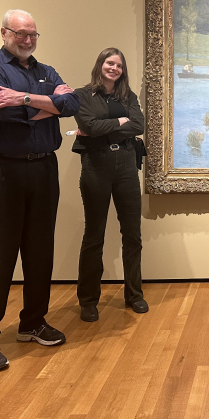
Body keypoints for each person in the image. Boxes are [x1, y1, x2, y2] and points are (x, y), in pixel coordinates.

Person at [0, 9, 79, 371]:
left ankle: (32, 323)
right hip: (6, 170)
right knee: (1, 253)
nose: (28, 40)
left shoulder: (46, 71)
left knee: (39, 249)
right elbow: (4, 114)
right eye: (21, 34)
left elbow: (72, 104)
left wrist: (24, 99)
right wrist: (49, 103)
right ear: (5, 33)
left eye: (33, 34)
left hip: (45, 167)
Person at [72, 48, 147, 322]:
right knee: (94, 235)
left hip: (126, 163)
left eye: (118, 65)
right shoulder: (82, 95)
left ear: (122, 70)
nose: (113, 68)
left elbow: (138, 125)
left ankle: (134, 295)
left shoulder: (128, 96)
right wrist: (118, 121)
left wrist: (104, 127)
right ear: (100, 65)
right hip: (96, 165)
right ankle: (88, 301)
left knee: (132, 234)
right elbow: (88, 125)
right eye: (109, 62)